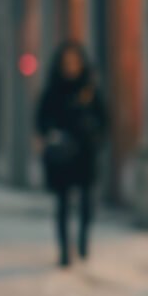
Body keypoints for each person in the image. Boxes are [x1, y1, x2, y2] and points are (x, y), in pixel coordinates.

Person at [35, 41, 108, 267]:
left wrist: (96, 136)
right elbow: (40, 120)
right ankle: (64, 250)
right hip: (62, 155)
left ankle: (83, 240)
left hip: (85, 153)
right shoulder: (52, 90)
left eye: (74, 62)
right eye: (67, 62)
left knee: (87, 202)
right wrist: (50, 135)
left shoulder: (89, 89)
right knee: (63, 204)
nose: (71, 66)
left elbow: (105, 118)